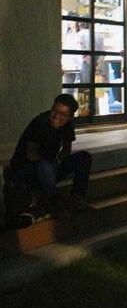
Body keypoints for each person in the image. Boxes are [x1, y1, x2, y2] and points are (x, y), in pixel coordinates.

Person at [6, 94, 92, 222]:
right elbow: (31, 154)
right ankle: (54, 202)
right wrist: (51, 165)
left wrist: (59, 161)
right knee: (44, 166)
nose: (57, 117)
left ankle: (77, 198)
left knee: (84, 157)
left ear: (69, 117)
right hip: (27, 171)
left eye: (63, 115)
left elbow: (67, 147)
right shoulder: (40, 123)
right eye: (55, 111)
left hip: (48, 168)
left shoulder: (67, 126)